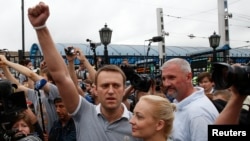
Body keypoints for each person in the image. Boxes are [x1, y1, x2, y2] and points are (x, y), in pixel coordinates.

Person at [27, 2, 141, 141]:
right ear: (96, 90)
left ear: (125, 90)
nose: (110, 91)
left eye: (116, 85)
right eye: (105, 86)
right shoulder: (84, 112)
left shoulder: (138, 124)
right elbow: (61, 76)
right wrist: (41, 28)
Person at [161, 58, 219, 141]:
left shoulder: (198, 114)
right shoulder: (180, 103)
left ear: (188, 77)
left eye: (171, 77)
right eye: (163, 79)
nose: (166, 83)